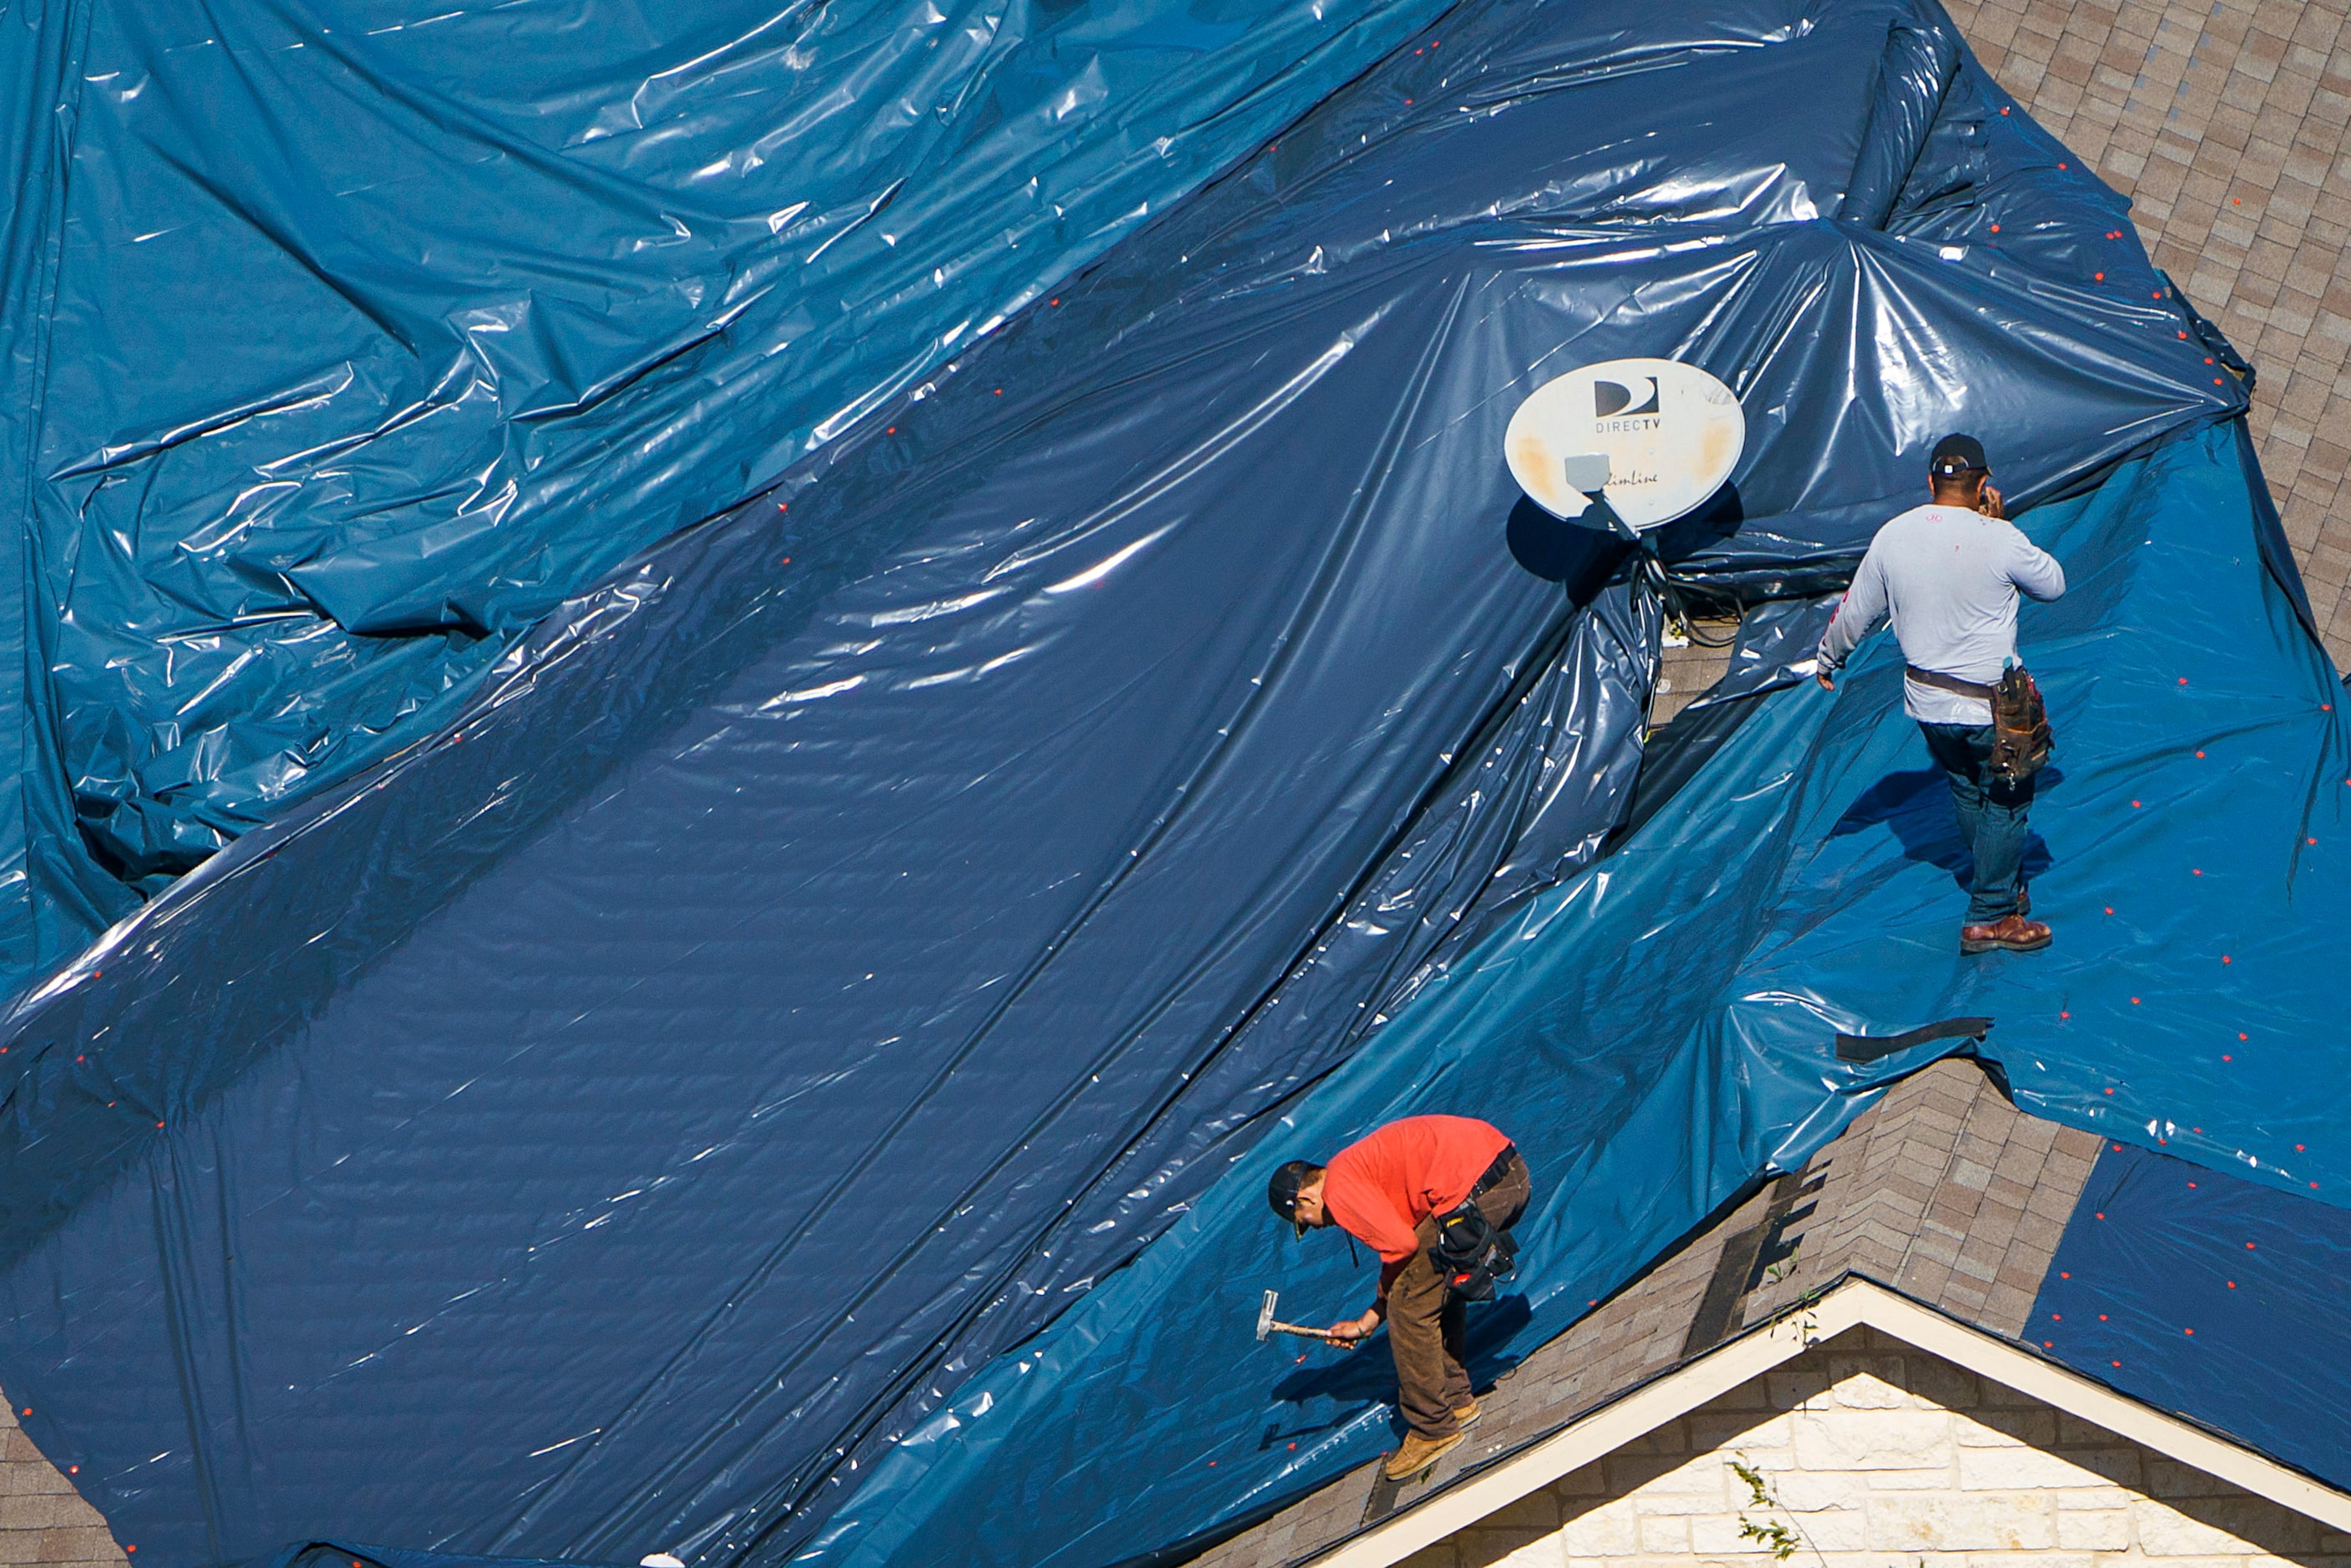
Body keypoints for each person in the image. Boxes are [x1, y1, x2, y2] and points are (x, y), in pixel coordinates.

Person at [1815, 433, 2066, 954]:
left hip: (1927, 702)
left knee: (1965, 787)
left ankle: (1998, 883)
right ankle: (1992, 916)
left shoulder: (1892, 536)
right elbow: (2054, 584)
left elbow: (1855, 612)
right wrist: (2000, 525)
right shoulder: (1997, 537)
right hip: (1991, 707)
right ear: (1983, 486)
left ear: (1931, 483)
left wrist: (1829, 658)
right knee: (2008, 799)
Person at [1266, 1115, 1531, 1480]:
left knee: (1407, 1308)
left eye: (1305, 1220)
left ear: (1305, 1198)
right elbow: (1408, 1246)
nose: (1315, 1225)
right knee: (1432, 1287)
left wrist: (1378, 1309)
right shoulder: (1351, 1168)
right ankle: (1456, 1401)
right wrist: (1368, 1320)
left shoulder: (1339, 1191)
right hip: (1504, 1171)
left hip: (1480, 1190)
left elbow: (1400, 1247)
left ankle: (1432, 1430)